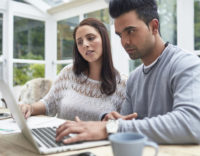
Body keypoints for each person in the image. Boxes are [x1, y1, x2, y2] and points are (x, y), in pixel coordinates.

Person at [55, 0, 200, 144]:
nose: (125, 42)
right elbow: (124, 124)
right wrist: (112, 121)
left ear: (154, 27)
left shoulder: (186, 64)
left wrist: (109, 128)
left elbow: (192, 124)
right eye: (120, 35)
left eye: (130, 31)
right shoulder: (134, 78)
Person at [19, 18, 129, 121]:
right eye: (79, 42)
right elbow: (48, 103)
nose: (85, 44)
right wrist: (30, 108)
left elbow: (123, 125)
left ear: (104, 39)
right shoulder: (68, 73)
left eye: (90, 38)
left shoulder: (122, 84)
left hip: (96, 141)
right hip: (59, 138)